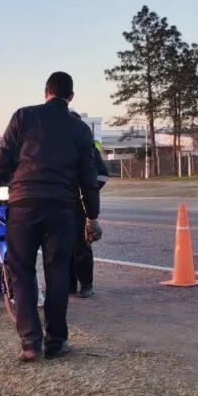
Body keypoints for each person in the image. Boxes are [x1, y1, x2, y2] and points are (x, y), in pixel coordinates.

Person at [0, 72, 101, 362]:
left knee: (22, 273)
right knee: (57, 272)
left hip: (22, 206)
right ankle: (55, 342)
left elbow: (1, 161)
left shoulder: (23, 117)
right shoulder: (80, 129)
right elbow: (89, 178)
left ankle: (30, 343)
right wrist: (92, 218)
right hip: (61, 209)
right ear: (71, 96)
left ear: (45, 91)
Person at [68, 118, 110, 299]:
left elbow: (101, 175)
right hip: (60, 202)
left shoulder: (87, 146)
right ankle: (67, 284)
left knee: (80, 244)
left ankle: (86, 284)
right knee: (61, 246)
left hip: (79, 203)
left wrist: (85, 191)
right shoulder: (58, 146)